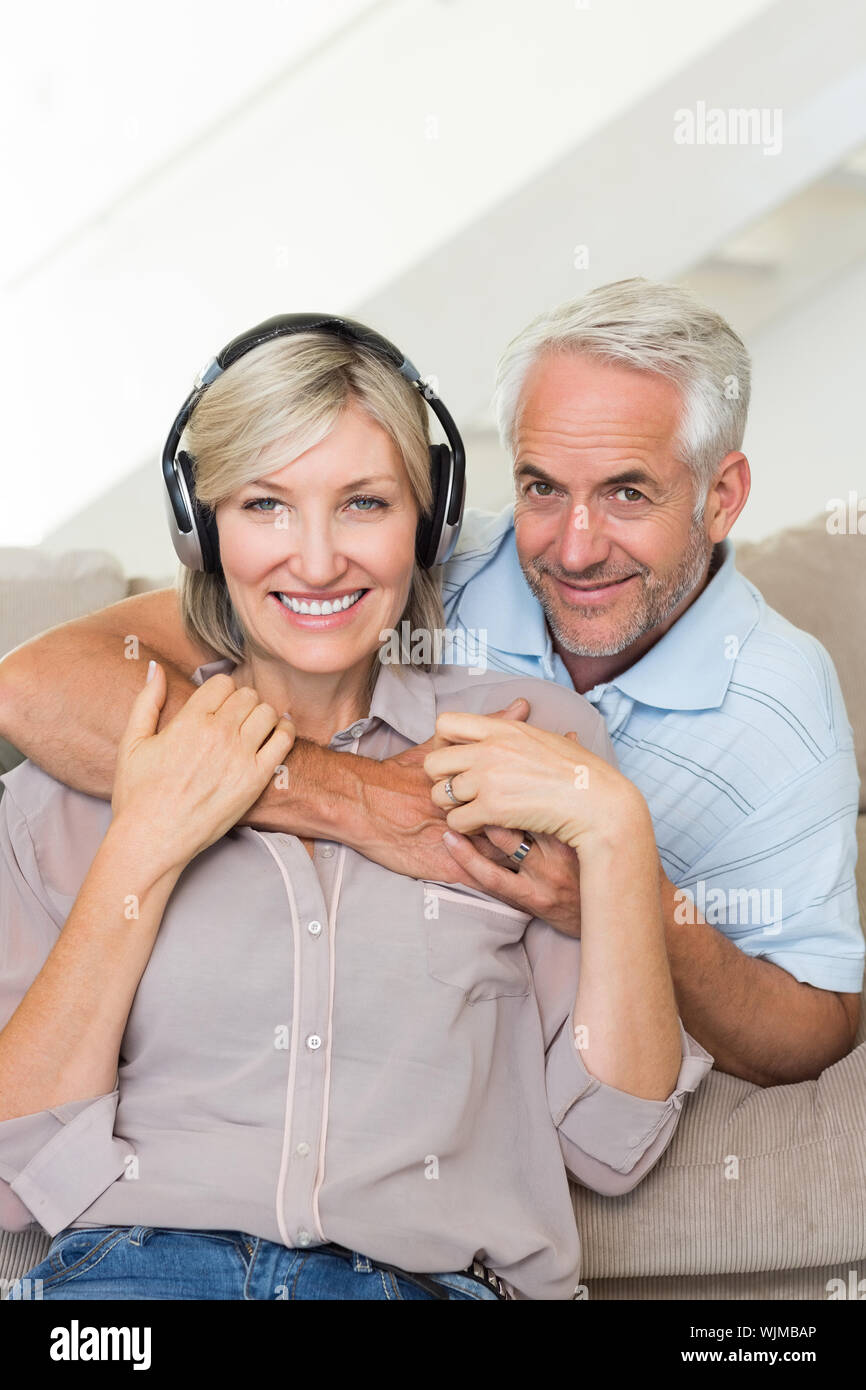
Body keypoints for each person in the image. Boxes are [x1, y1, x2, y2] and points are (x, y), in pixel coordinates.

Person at [0, 319, 712, 1301]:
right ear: (201, 526)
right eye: (265, 504)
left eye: (364, 503)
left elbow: (615, 1143)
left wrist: (617, 830)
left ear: (425, 524)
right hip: (143, 1286)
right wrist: (146, 845)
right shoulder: (81, 775)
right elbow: (14, 1167)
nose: (320, 559)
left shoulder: (535, 748)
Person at [3, 280, 858, 1086]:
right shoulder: (408, 573)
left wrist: (613, 900)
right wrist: (359, 798)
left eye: (628, 492)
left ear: (722, 496)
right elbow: (39, 686)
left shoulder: (781, 702)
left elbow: (815, 1028)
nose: (576, 546)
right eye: (542, 489)